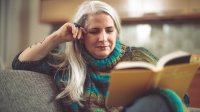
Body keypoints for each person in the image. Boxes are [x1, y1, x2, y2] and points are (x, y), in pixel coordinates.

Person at [12, 0, 189, 112]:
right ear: (81, 34)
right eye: (94, 31)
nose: (103, 38)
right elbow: (21, 64)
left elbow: (180, 98)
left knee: (165, 97)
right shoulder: (68, 65)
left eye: (109, 30)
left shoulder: (138, 56)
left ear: (116, 32)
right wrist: (56, 37)